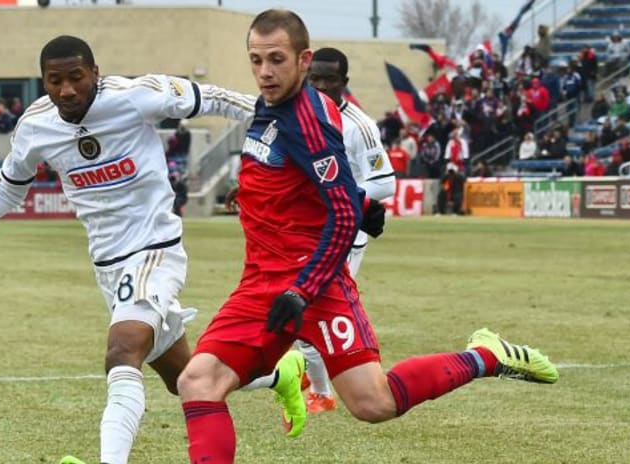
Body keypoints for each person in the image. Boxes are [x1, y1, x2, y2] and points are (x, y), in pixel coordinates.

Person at [177, 9, 559, 464]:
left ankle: (486, 356)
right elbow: (313, 184)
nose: (264, 72)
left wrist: (304, 288)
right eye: (256, 60)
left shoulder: (309, 121)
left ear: (304, 60)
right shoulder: (269, 105)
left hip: (314, 286)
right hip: (261, 284)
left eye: (276, 59)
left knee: (373, 403)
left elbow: (339, 215)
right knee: (198, 381)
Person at [0, 35, 259, 464]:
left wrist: (281, 119)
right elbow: (7, 189)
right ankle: (282, 375)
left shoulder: (136, 96)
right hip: (108, 266)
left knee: (121, 351)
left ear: (95, 73)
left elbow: (213, 97)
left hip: (155, 250)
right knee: (188, 378)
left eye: (76, 77)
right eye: (54, 80)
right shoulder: (36, 125)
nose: (66, 90)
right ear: (42, 81)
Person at [237, 47, 396, 414]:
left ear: (345, 83)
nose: (321, 85)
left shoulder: (360, 125)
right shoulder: (297, 112)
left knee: (307, 315)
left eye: (330, 80)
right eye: (316, 78)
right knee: (296, 318)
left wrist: (344, 199)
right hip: (298, 234)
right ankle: (312, 384)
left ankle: (321, 392)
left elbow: (384, 182)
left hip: (342, 235)